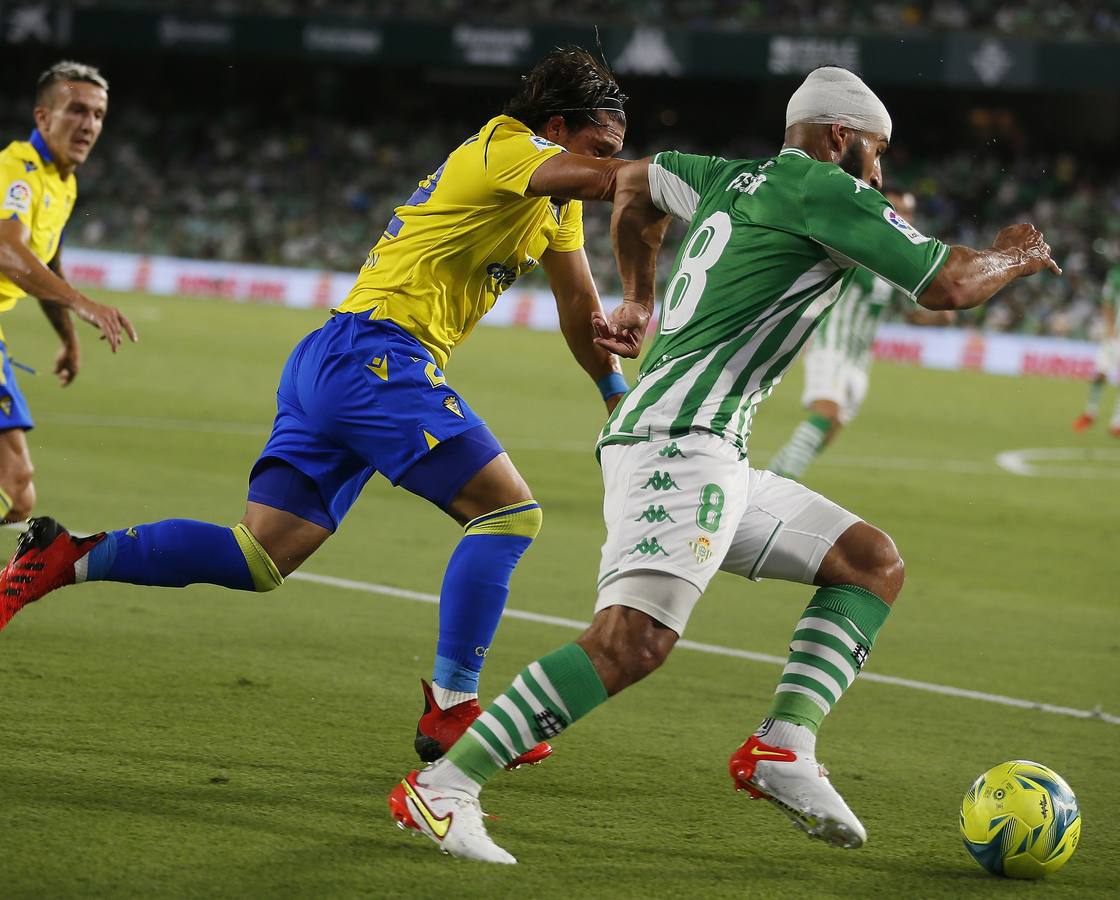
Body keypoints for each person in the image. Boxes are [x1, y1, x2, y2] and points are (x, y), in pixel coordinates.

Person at [386, 66, 1061, 864]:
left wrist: (639, 296)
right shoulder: (825, 189)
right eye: (876, 151)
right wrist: (1016, 255)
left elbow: (634, 187)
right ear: (840, 137)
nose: (879, 172)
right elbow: (949, 284)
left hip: (712, 447)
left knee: (868, 563)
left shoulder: (720, 176)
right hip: (680, 441)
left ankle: (783, 747)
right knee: (631, 642)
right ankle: (443, 787)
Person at [0, 48, 629, 768]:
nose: (610, 162)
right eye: (600, 145)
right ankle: (453, 710)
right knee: (508, 514)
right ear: (556, 128)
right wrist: (699, 182)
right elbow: (617, 183)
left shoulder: (557, 207)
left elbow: (579, 305)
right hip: (377, 355)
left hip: (337, 360)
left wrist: (615, 395)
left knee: (259, 555)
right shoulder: (506, 143)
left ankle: (65, 557)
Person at [0, 61, 137, 521]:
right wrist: (82, 304)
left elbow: (46, 261)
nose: (89, 124)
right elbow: (6, 249)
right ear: (43, 117)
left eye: (98, 114)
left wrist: (68, 338)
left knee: (19, 497)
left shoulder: (63, 182)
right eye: (77, 110)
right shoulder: (19, 170)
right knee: (14, 481)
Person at [767, 192, 955, 481]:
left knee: (830, 430)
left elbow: (908, 313)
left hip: (860, 359)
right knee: (825, 415)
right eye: (896, 209)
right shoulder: (858, 244)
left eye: (908, 212)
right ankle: (776, 484)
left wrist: (935, 319)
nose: (903, 217)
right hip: (832, 346)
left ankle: (776, 477)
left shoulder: (899, 264)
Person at [1071, 263, 1120, 436]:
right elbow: (1107, 302)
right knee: (1100, 374)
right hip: (1115, 335)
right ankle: (1090, 412)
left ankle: (1117, 423)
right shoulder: (1116, 274)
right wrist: (1110, 327)